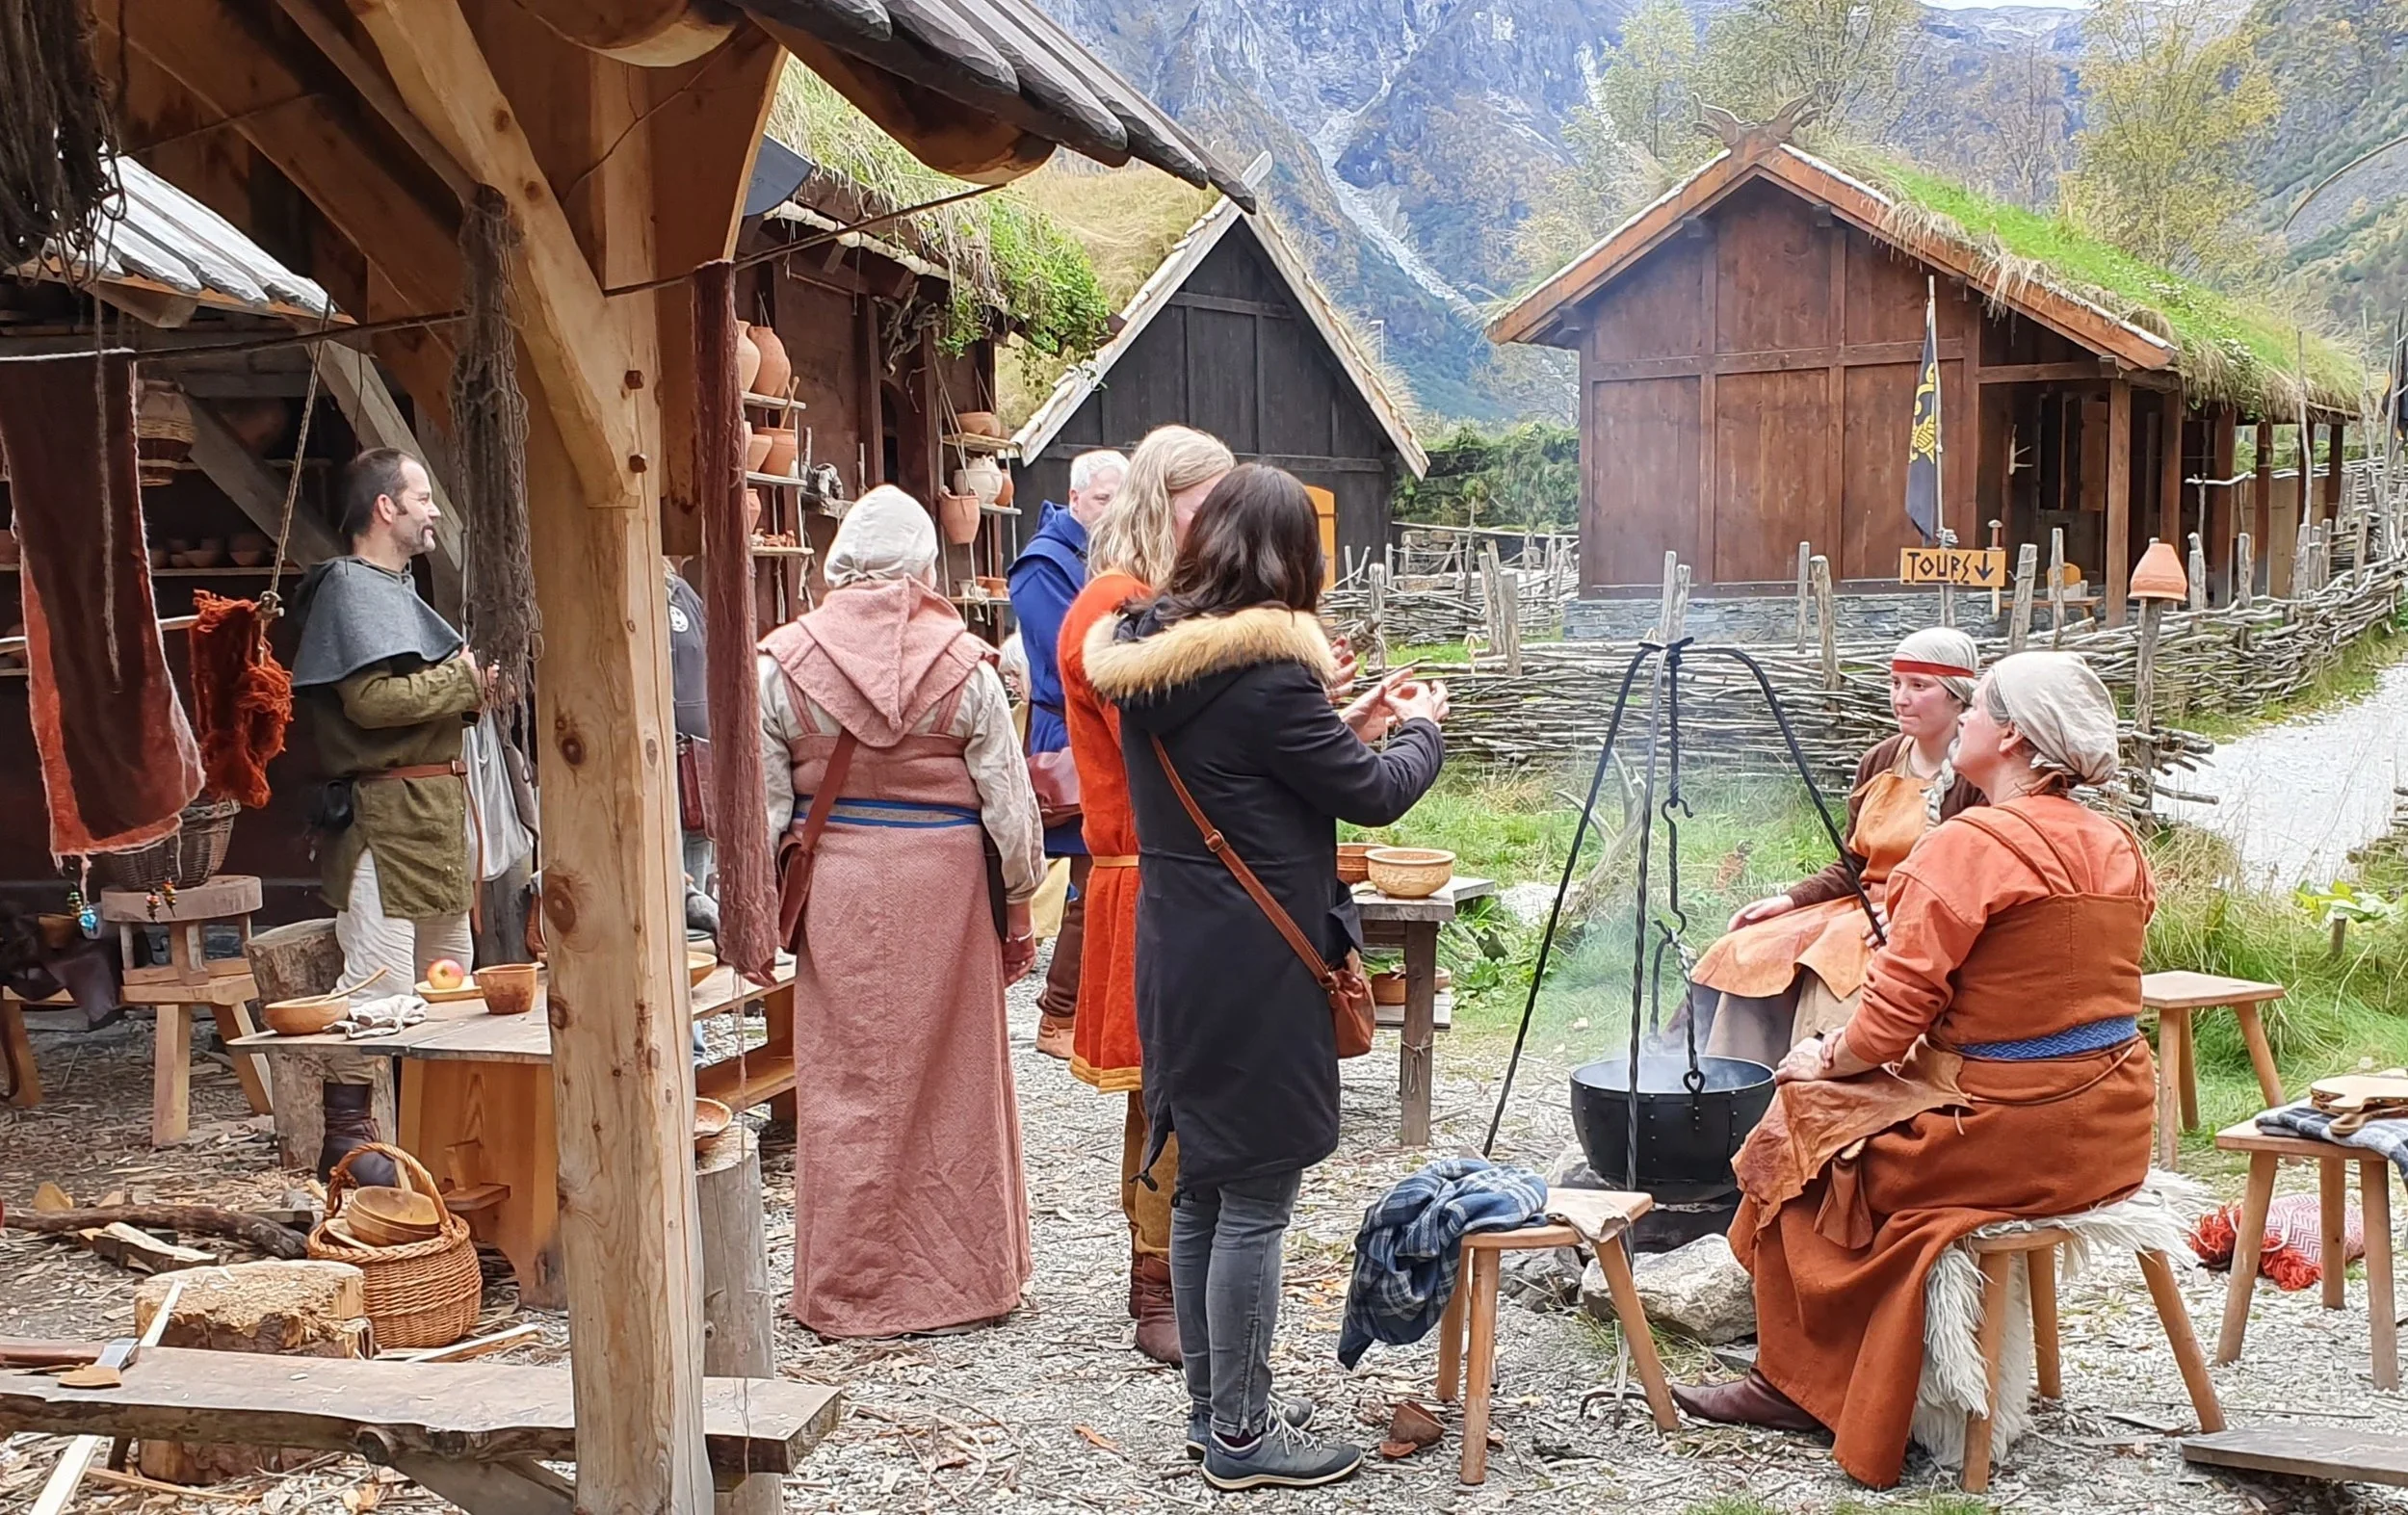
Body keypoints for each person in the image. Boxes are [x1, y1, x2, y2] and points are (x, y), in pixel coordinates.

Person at [1675, 651, 2156, 1489]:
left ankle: (1797, 1382)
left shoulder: (1969, 845)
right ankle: (1821, 1367)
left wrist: (1824, 1056)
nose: (1962, 717)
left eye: (1978, 708)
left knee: (1797, 1126)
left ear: (2010, 736)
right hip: (2114, 1126)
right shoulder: (2119, 843)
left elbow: (1892, 1017)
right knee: (1822, 1112)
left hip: (2007, 1133)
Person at [1087, 463, 1448, 1490]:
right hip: (1258, 963)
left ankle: (1217, 1416)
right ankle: (1245, 1440)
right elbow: (1372, 795)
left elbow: (1257, 766)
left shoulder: (1150, 661)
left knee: (1206, 1186)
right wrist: (1422, 727)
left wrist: (1349, 718)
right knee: (1254, 1200)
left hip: (1181, 954)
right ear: (1292, 561)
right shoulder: (1269, 677)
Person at [758, 484, 1045, 1338]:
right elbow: (1009, 809)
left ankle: (846, 1290)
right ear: (926, 565)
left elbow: (767, 812)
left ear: (840, 562)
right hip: (946, 891)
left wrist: (770, 909)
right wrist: (1019, 895)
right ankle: (965, 1280)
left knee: (845, 1085)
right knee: (958, 1085)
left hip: (840, 889)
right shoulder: (966, 663)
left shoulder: (781, 665)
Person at [1055, 426, 1231, 1365]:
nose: (1221, 524)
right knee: (1162, 1097)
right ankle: (1152, 1287)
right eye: (1209, 505)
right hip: (1143, 875)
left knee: (1192, 1088)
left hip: (1180, 873)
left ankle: (1186, 1272)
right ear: (1163, 503)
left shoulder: (1156, 602)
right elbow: (1178, 727)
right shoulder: (1113, 604)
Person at [1686, 628, 1983, 1067]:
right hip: (1856, 904)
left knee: (1829, 968)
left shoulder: (1976, 773)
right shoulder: (1880, 761)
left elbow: (1982, 870)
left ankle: (1818, 1085)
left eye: (1919, 686)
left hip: (1912, 917)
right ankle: (1731, 1090)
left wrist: (1915, 905)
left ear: (1958, 698)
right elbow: (1855, 861)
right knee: (1747, 951)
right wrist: (1790, 899)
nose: (1901, 698)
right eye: (1895, 683)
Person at [291, 448, 495, 997]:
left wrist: (476, 688)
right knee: (379, 1003)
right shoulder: (351, 588)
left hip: (435, 828)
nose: (433, 512)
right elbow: (371, 703)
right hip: (385, 830)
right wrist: (464, 681)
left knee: (449, 996)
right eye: (423, 499)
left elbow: (429, 703)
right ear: (386, 506)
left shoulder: (398, 590)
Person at [1010, 448, 1127, 1060]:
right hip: (1072, 733)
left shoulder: (1100, 557)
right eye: (1103, 499)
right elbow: (1070, 662)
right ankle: (1059, 1014)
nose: (1112, 511)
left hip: (1105, 727)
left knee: (1105, 869)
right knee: (1090, 869)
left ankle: (1084, 1009)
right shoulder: (1042, 566)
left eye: (1120, 499)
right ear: (1076, 498)